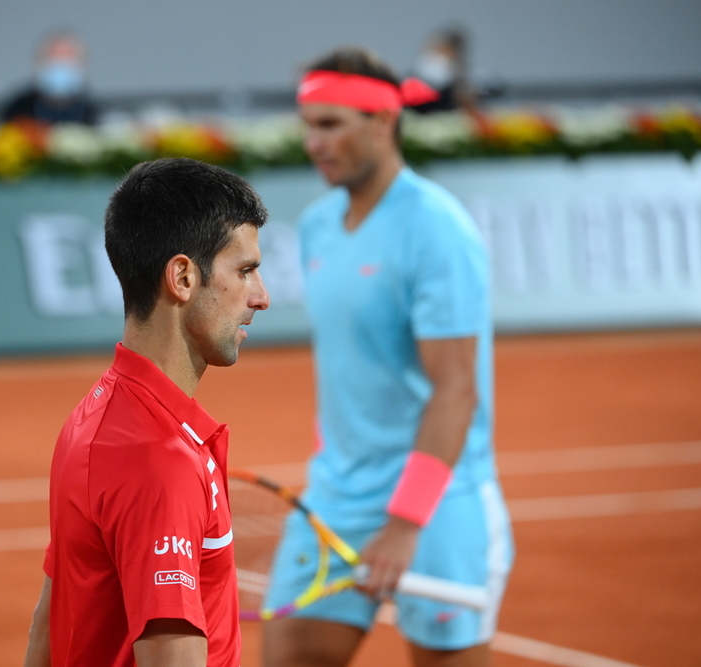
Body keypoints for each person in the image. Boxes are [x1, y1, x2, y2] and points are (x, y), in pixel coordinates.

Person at [262, 47, 514, 667]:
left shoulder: (437, 230)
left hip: (435, 505)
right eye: (307, 124)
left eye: (330, 124)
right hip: (336, 496)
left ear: (382, 122)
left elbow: (455, 391)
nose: (312, 142)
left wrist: (405, 522)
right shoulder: (320, 226)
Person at [22, 157, 270, 667]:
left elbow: (49, 626)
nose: (261, 298)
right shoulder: (160, 460)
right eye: (244, 271)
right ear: (181, 277)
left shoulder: (95, 416)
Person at [0, 30, 98, 125]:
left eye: (66, 58)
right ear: (38, 63)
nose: (60, 65)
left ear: (82, 64)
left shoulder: (94, 115)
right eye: (53, 58)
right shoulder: (16, 111)